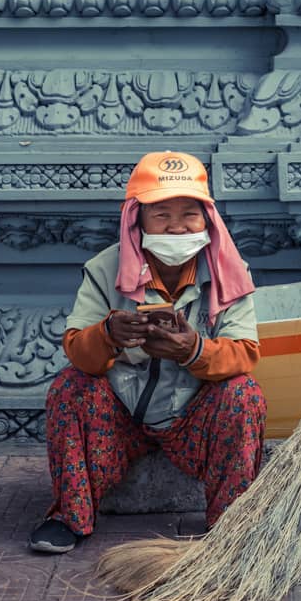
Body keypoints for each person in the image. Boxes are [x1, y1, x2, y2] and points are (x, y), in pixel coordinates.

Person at [29, 151, 266, 554]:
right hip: (121, 421)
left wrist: (194, 350)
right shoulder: (105, 269)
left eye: (189, 214)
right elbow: (77, 351)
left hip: (190, 420)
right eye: (161, 215)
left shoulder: (229, 270)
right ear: (136, 219)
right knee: (70, 388)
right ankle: (69, 516)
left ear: (207, 218)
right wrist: (108, 334)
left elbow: (245, 353)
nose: (176, 228)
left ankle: (232, 524)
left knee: (244, 394)